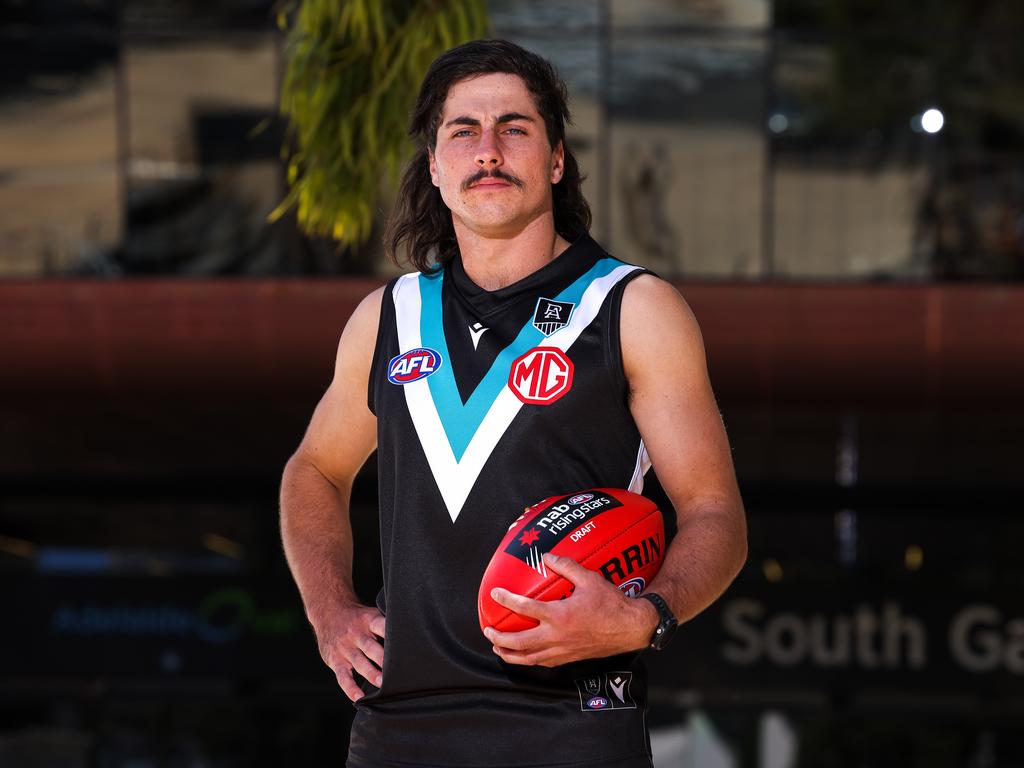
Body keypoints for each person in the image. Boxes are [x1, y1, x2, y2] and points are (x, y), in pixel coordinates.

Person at [280, 39, 746, 768]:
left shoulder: (632, 308)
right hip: (401, 726)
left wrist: (644, 618)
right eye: (462, 131)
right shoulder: (388, 316)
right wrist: (329, 611)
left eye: (514, 128)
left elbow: (717, 514)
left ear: (555, 161)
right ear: (435, 166)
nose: (487, 149)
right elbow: (314, 470)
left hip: (572, 722)